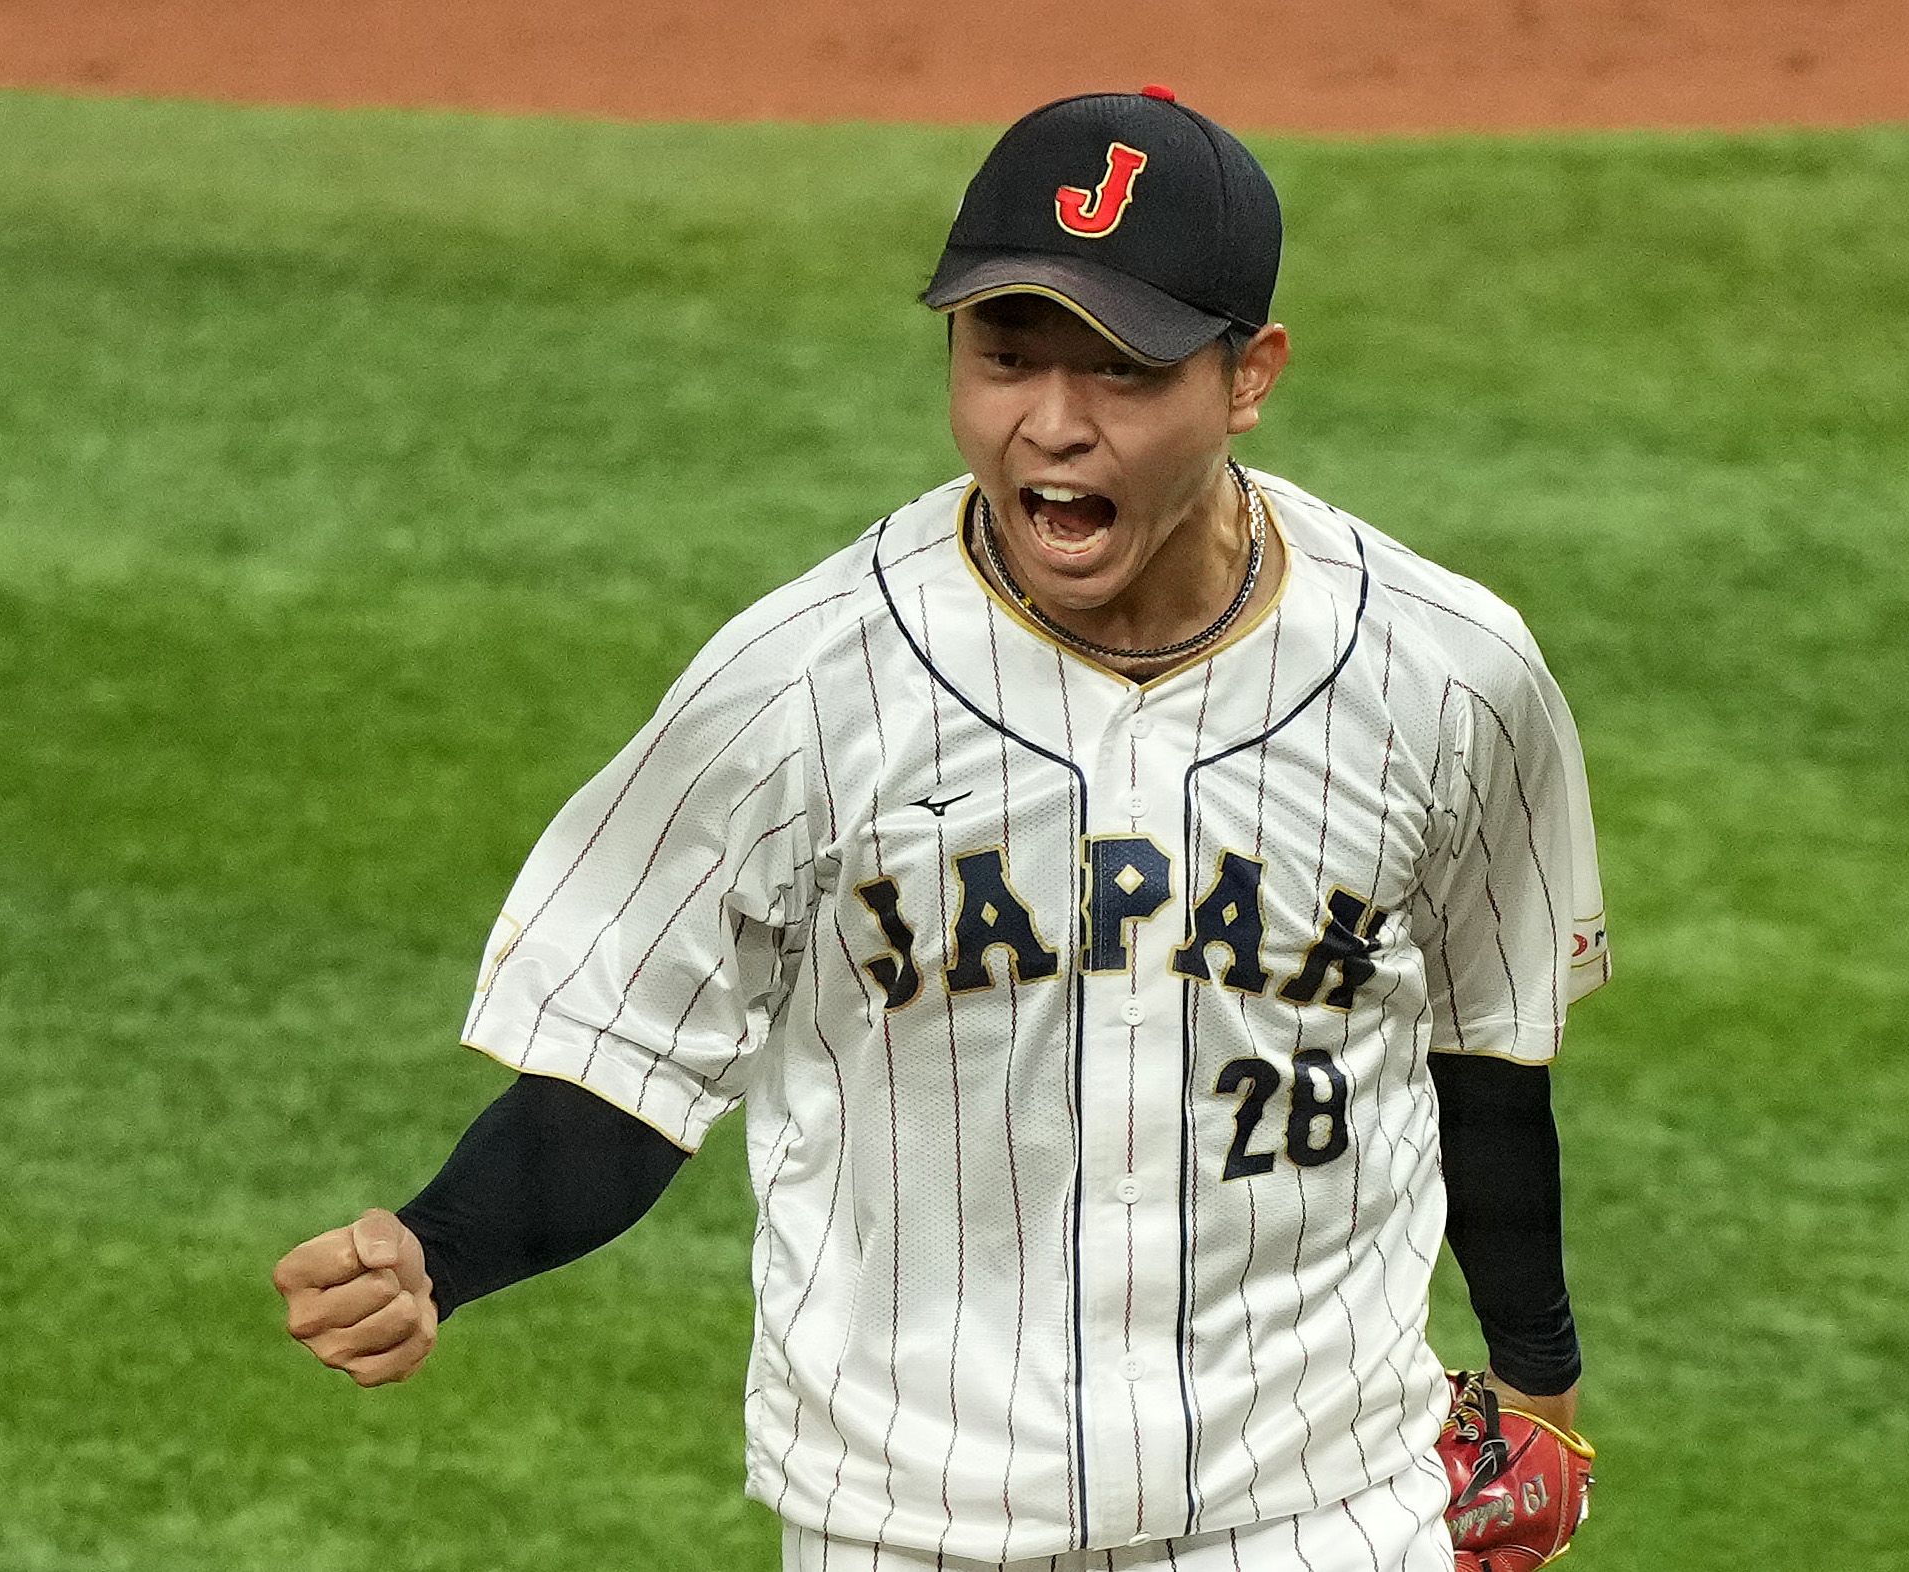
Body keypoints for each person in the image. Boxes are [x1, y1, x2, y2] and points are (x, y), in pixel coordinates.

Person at [272, 86, 1613, 1571]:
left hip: (1315, 1507)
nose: (1051, 420)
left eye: (1121, 369)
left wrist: (1535, 1387)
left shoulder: (1444, 673)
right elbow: (631, 1062)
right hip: (909, 1522)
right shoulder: (800, 684)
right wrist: (436, 1254)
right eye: (1005, 355)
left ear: (1248, 376)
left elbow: (1488, 1055)